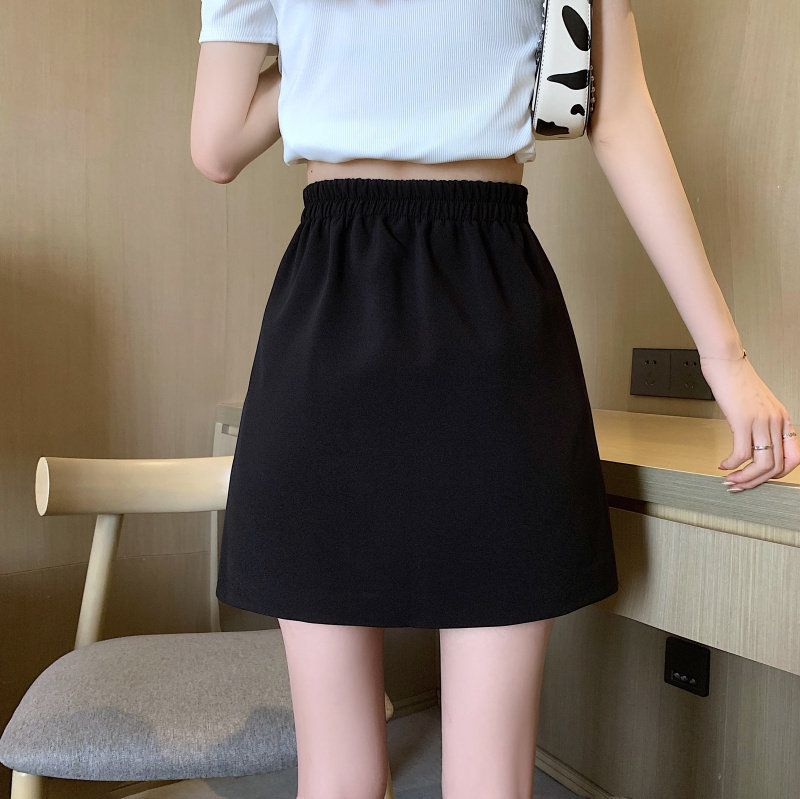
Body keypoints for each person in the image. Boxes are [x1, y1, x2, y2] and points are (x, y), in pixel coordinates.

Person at [190, 2, 800, 797]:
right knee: (491, 782)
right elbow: (618, 119)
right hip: (491, 307)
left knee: (336, 775)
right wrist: (726, 359)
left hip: (331, 314)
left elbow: (216, 144)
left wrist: (326, 51)